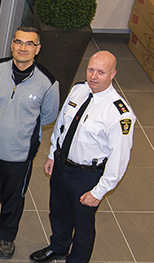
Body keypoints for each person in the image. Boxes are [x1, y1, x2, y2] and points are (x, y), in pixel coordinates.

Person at [30, 51, 136, 263]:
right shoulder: (79, 90)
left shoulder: (120, 114)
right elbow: (62, 123)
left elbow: (119, 159)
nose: (93, 76)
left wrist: (99, 191)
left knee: (83, 225)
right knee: (58, 212)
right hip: (62, 165)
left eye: (101, 72)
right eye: (91, 69)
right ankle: (58, 247)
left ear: (113, 74)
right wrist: (53, 154)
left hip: (86, 176)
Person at [0, 26, 60, 259]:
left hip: (20, 154)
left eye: (29, 44)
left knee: (15, 197)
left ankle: (7, 235)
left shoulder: (48, 83)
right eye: (18, 42)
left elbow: (49, 116)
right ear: (12, 44)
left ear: (38, 49)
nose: (23, 48)